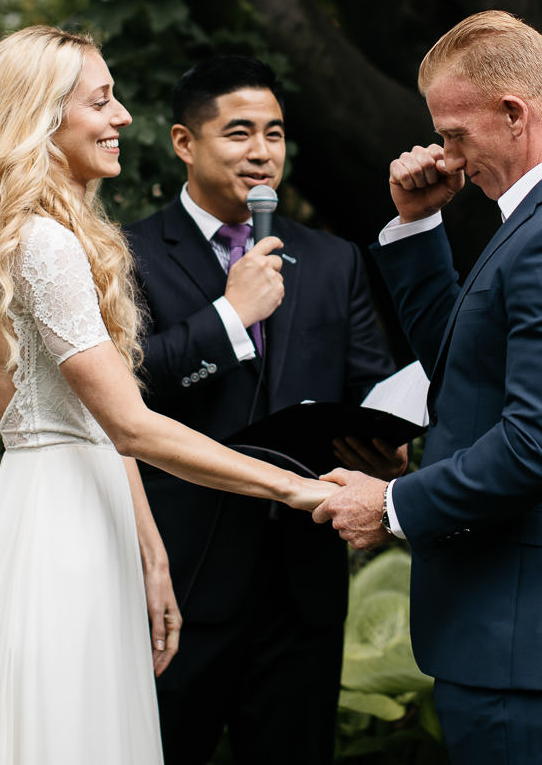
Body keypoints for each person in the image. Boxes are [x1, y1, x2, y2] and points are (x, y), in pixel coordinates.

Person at [0, 26, 337, 765]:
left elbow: (92, 426)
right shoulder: (46, 245)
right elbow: (133, 427)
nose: (122, 118)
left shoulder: (15, 237)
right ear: (42, 118)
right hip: (69, 534)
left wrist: (151, 554)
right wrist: (300, 491)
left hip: (50, 513)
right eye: (102, 100)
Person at [313, 10, 542, 765]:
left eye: (454, 133)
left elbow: (540, 445)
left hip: (524, 626)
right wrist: (415, 228)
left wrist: (393, 505)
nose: (445, 156)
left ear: (514, 113)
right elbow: (467, 366)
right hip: (535, 619)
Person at [124, 55, 399, 765]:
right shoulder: (128, 255)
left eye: (274, 134)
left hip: (301, 581)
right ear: (185, 143)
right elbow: (120, 392)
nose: (261, 152)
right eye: (238, 133)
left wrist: (387, 441)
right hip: (183, 577)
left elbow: (367, 383)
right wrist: (226, 317)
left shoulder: (334, 260)